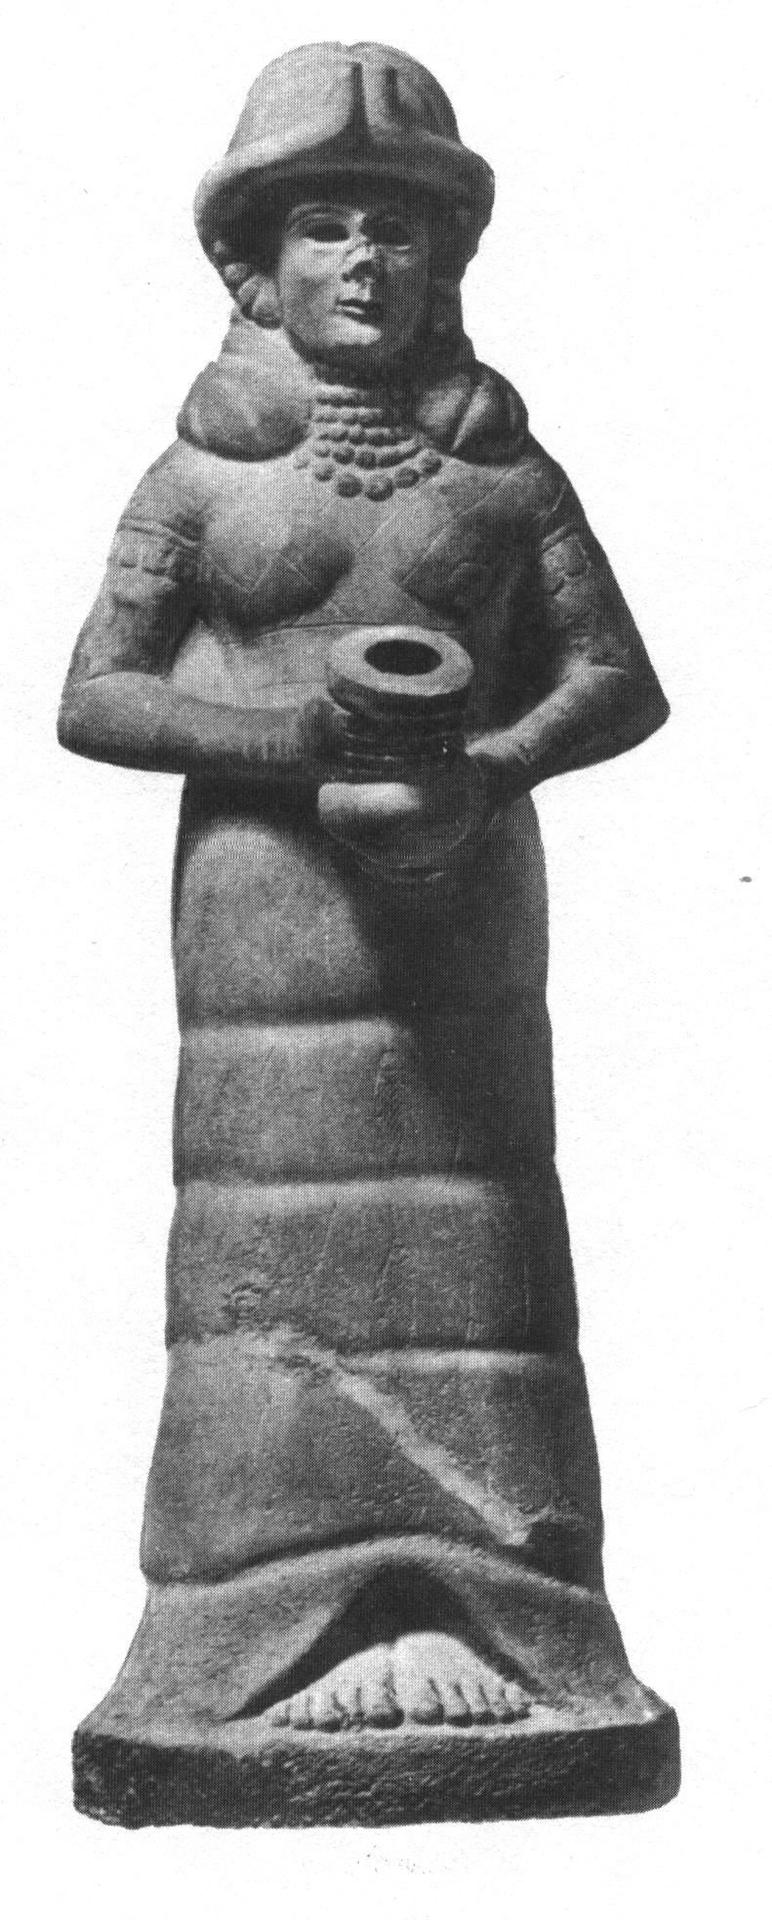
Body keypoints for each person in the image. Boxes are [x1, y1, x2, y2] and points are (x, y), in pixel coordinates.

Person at [62, 44, 674, 1795]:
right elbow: (96, 696)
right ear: (257, 261)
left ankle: (500, 1615)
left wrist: (488, 767)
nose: (363, 262)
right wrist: (287, 743)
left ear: (445, 260)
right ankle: (252, 1631)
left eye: (397, 230)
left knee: (474, 1239)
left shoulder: (501, 474)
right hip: (269, 920)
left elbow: (617, 680)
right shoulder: (207, 475)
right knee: (263, 1254)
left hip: (457, 905)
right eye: (325, 226)